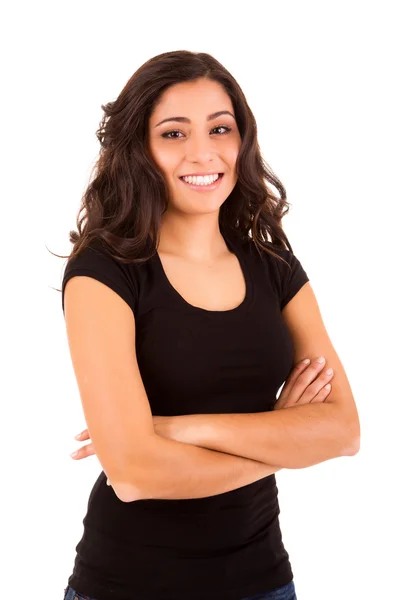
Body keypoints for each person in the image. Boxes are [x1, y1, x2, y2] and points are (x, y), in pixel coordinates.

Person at [59, 50, 360, 600]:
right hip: (129, 586)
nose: (203, 151)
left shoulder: (275, 268)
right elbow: (133, 476)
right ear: (140, 151)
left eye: (220, 128)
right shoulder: (103, 273)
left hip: (264, 584)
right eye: (174, 134)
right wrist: (280, 438)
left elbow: (343, 431)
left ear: (241, 142)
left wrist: (177, 429)